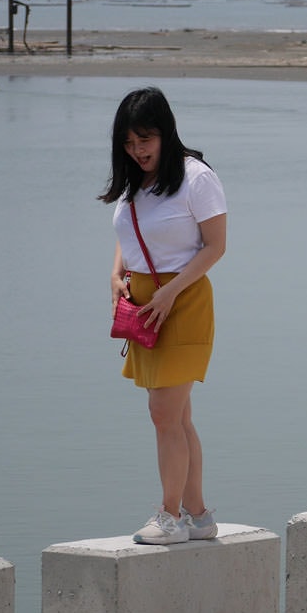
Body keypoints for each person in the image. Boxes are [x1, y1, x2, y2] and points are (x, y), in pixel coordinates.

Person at [98, 87, 227, 545]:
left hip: (184, 301)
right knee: (179, 417)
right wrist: (116, 276)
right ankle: (199, 518)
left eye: (145, 140)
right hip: (146, 306)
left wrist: (171, 293)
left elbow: (216, 246)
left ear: (166, 131)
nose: (138, 151)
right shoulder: (137, 181)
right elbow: (129, 233)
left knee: (163, 416)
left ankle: (169, 518)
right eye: (129, 144)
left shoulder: (197, 177)